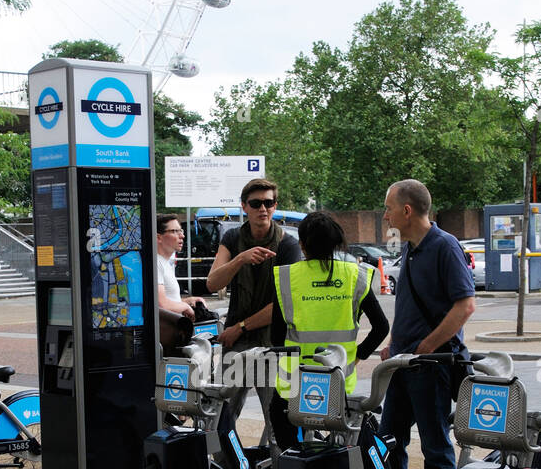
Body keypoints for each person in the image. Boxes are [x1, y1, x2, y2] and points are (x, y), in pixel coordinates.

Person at [377, 179, 475, 469]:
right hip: (403, 362)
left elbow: (465, 306)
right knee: (390, 443)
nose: (385, 215)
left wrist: (428, 346)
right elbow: (411, 305)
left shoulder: (445, 247)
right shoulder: (409, 247)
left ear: (406, 210)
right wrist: (395, 341)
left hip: (431, 365)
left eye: (389, 208)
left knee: (435, 449)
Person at [268, 211, 388, 451]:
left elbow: (275, 337)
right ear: (335, 244)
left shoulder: (287, 278)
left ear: (302, 244)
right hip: (339, 378)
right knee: (342, 440)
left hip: (296, 381)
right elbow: (381, 327)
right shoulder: (355, 275)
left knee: (279, 417)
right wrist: (358, 354)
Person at [206, 178, 301, 422]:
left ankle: (276, 462)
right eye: (256, 203)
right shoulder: (232, 239)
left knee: (278, 426)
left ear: (275, 205)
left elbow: (283, 305)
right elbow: (213, 283)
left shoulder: (287, 244)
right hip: (235, 345)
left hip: (273, 345)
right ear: (244, 206)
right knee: (220, 419)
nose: (263, 209)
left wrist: (239, 327)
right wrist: (240, 259)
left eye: (268, 203)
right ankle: (230, 462)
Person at [155, 214, 206, 320]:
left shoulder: (166, 262)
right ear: (158, 237)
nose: (182, 236)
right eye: (174, 231)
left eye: (181, 231)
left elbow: (169, 300)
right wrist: (185, 307)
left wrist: (189, 301)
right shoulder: (156, 262)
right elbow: (161, 304)